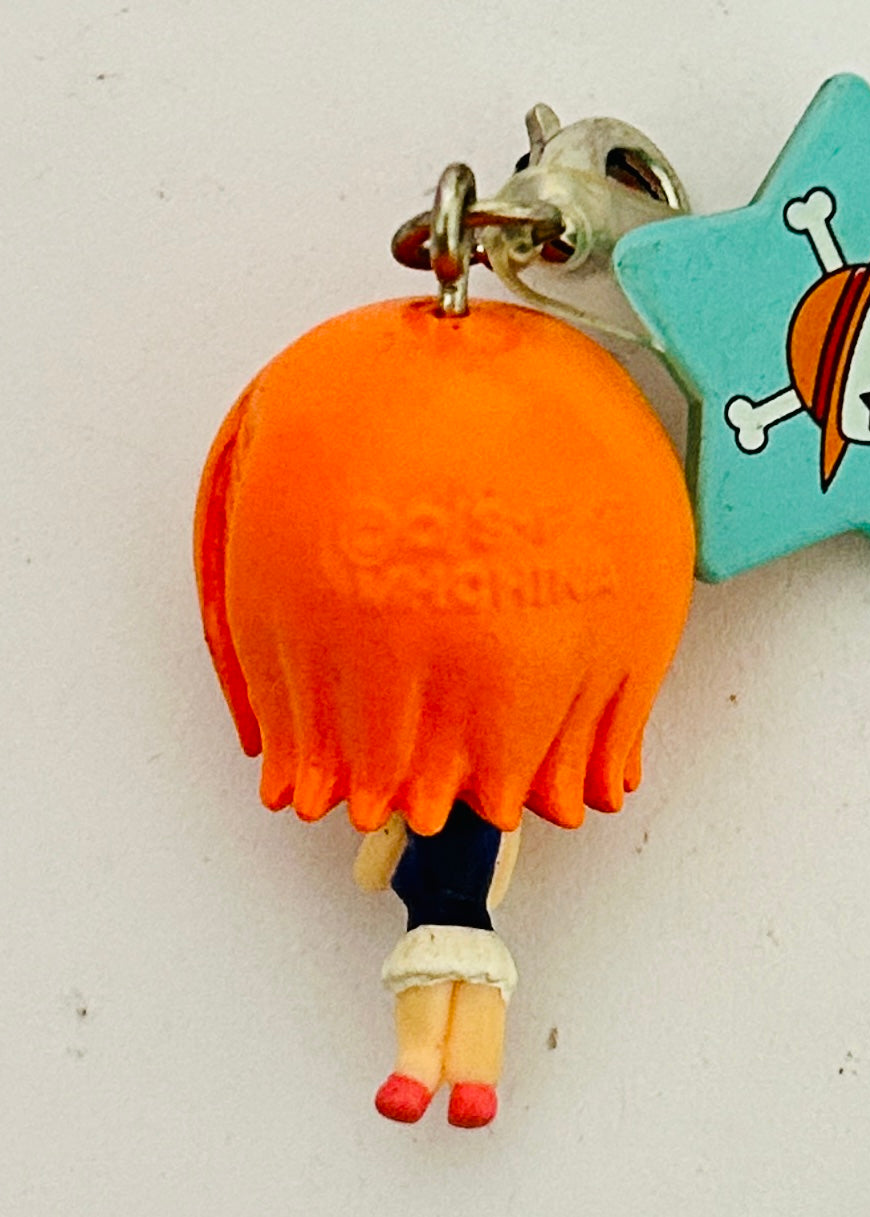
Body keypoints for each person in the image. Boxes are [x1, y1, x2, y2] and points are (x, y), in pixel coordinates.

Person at [195, 297, 695, 1126]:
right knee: (459, 982)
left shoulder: (444, 819)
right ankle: (453, 1073)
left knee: (441, 981)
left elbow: (372, 869)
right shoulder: (487, 825)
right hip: (466, 931)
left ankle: (446, 1072)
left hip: (444, 931)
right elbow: (460, 861)